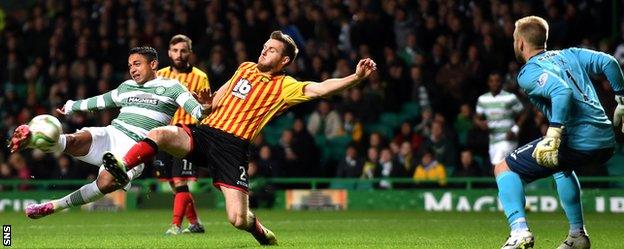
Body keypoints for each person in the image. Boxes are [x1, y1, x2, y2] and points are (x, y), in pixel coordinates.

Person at [102, 31, 376, 246]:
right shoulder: (245, 67)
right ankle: (122, 167)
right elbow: (218, 98)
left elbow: (320, 89)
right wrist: (207, 104)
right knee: (160, 133)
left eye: (272, 50)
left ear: (284, 61)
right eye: (265, 46)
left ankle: (261, 232)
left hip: (233, 148)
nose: (264, 50)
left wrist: (356, 77)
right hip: (205, 133)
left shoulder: (286, 86)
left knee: (238, 219)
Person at [8, 46, 210, 219]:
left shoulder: (173, 87)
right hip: (112, 134)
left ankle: (55, 206)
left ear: (154, 64)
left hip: (136, 148)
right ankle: (33, 138)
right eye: (130, 65)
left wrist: (205, 107)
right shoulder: (126, 87)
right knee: (73, 140)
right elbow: (100, 101)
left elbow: (198, 113)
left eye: (137, 63)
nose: (132, 69)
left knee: (105, 183)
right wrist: (72, 106)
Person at [497, 16, 624, 249]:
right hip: (606, 139)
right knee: (560, 167)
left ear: (521, 44)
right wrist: (622, 99)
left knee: (504, 168)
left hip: (579, 139)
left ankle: (519, 232)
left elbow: (560, 91)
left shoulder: (528, 72)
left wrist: (554, 132)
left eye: (515, 40)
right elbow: (609, 62)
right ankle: (577, 236)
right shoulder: (570, 54)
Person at [154, 34, 209, 235]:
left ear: (190, 53)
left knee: (180, 181)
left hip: (188, 134)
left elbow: (206, 107)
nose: (179, 54)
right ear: (169, 53)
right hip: (163, 135)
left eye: (183, 50)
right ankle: (195, 224)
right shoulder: (159, 75)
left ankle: (175, 226)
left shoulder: (200, 77)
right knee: (173, 183)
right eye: (175, 50)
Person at [476, 72, 524, 168]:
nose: (494, 83)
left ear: (501, 82)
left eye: (497, 81)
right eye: (492, 81)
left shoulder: (510, 97)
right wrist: (479, 123)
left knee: (498, 166)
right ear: (488, 83)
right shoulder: (482, 99)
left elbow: (524, 113)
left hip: (508, 139)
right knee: (499, 170)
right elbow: (477, 117)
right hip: (493, 140)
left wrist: (515, 129)